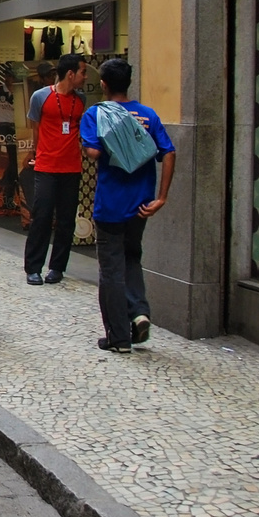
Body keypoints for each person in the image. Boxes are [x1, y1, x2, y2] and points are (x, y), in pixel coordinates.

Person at [80, 58, 176, 353]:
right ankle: (139, 312)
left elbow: (94, 152)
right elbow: (169, 152)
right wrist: (162, 197)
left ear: (104, 85)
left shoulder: (96, 114)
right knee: (132, 257)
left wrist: (97, 144)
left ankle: (119, 338)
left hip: (111, 204)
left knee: (110, 270)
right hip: (142, 204)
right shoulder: (147, 115)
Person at [25, 52, 88, 286]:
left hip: (72, 167)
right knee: (41, 216)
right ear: (70, 74)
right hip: (46, 165)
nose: (84, 77)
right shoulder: (40, 97)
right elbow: (35, 129)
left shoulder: (81, 100)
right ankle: (33, 267)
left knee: (66, 220)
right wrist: (35, 154)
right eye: (82, 72)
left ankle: (57, 267)